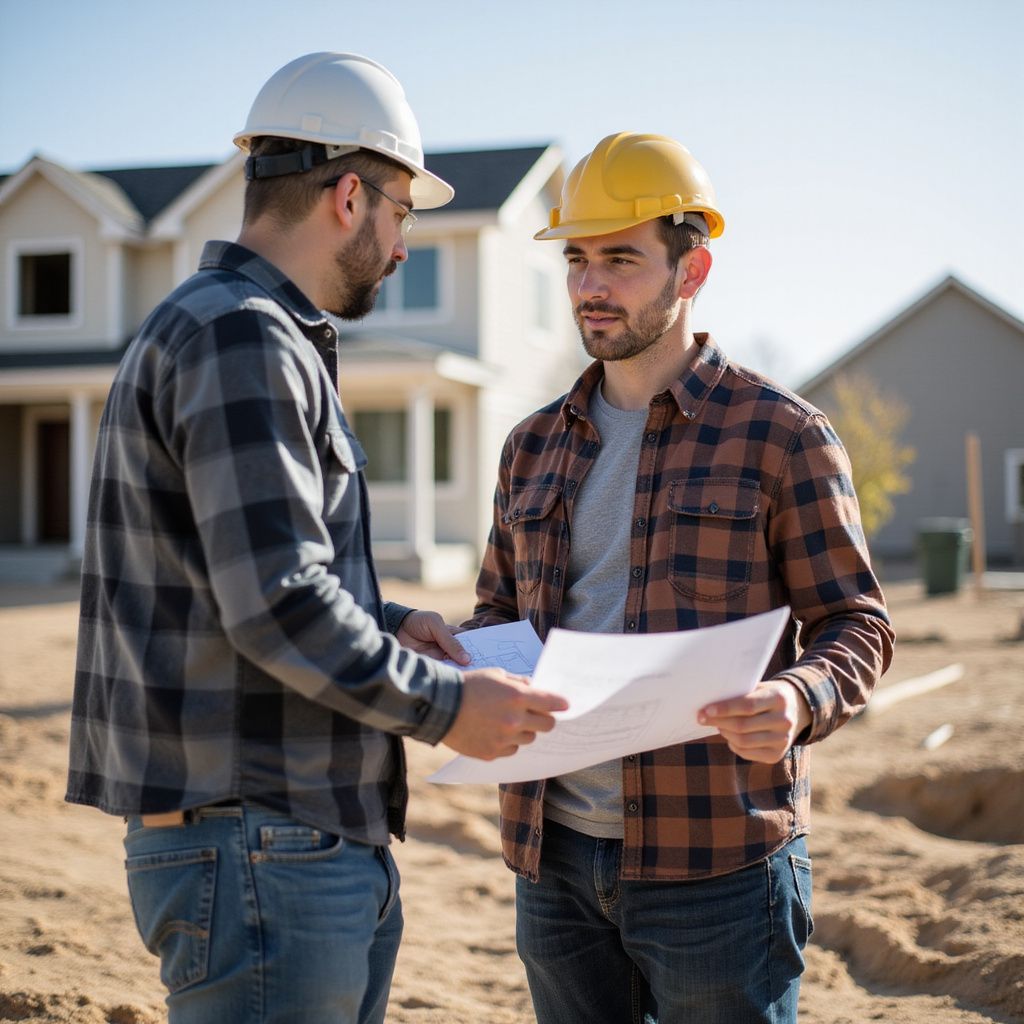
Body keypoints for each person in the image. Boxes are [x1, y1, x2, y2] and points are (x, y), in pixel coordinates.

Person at [65, 52, 566, 1024]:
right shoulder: (243, 338)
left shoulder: (222, 329)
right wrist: (449, 704)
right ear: (348, 195)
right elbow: (277, 604)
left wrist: (389, 620)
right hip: (264, 847)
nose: (405, 244)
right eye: (404, 214)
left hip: (270, 843)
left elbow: (236, 579)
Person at [463, 131, 895, 1024]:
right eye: (577, 259)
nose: (590, 285)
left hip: (718, 867)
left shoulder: (781, 434)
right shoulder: (531, 445)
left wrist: (798, 699)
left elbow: (858, 623)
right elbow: (499, 610)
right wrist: (470, 667)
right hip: (554, 859)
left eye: (621, 260)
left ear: (691, 271)